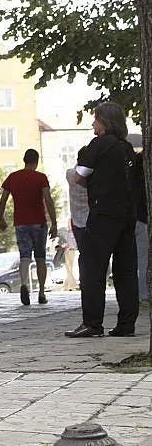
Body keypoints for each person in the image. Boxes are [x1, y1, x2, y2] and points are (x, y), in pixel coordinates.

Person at [66, 102, 139, 338]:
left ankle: (92, 323)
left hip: (103, 213)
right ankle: (127, 323)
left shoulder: (98, 145)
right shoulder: (126, 148)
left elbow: (79, 176)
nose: (92, 124)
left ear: (104, 121)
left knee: (93, 267)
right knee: (125, 269)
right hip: (127, 214)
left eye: (95, 119)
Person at [0, 149, 57, 306]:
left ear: (24, 160)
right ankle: (42, 292)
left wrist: (1, 217)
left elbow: (3, 199)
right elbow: (48, 200)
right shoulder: (41, 178)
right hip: (38, 222)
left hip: (21, 223)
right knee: (40, 258)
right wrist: (54, 223)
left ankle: (24, 284)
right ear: (36, 161)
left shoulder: (13, 177)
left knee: (24, 257)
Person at [64, 165, 89, 292]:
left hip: (77, 222)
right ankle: (94, 278)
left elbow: (72, 171)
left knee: (83, 254)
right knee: (95, 252)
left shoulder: (70, 174)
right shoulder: (91, 177)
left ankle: (84, 280)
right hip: (91, 220)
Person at [133, 152, 148, 305]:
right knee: (144, 259)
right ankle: (144, 295)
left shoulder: (130, 180)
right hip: (143, 221)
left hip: (131, 220)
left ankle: (135, 294)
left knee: (133, 260)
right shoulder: (145, 182)